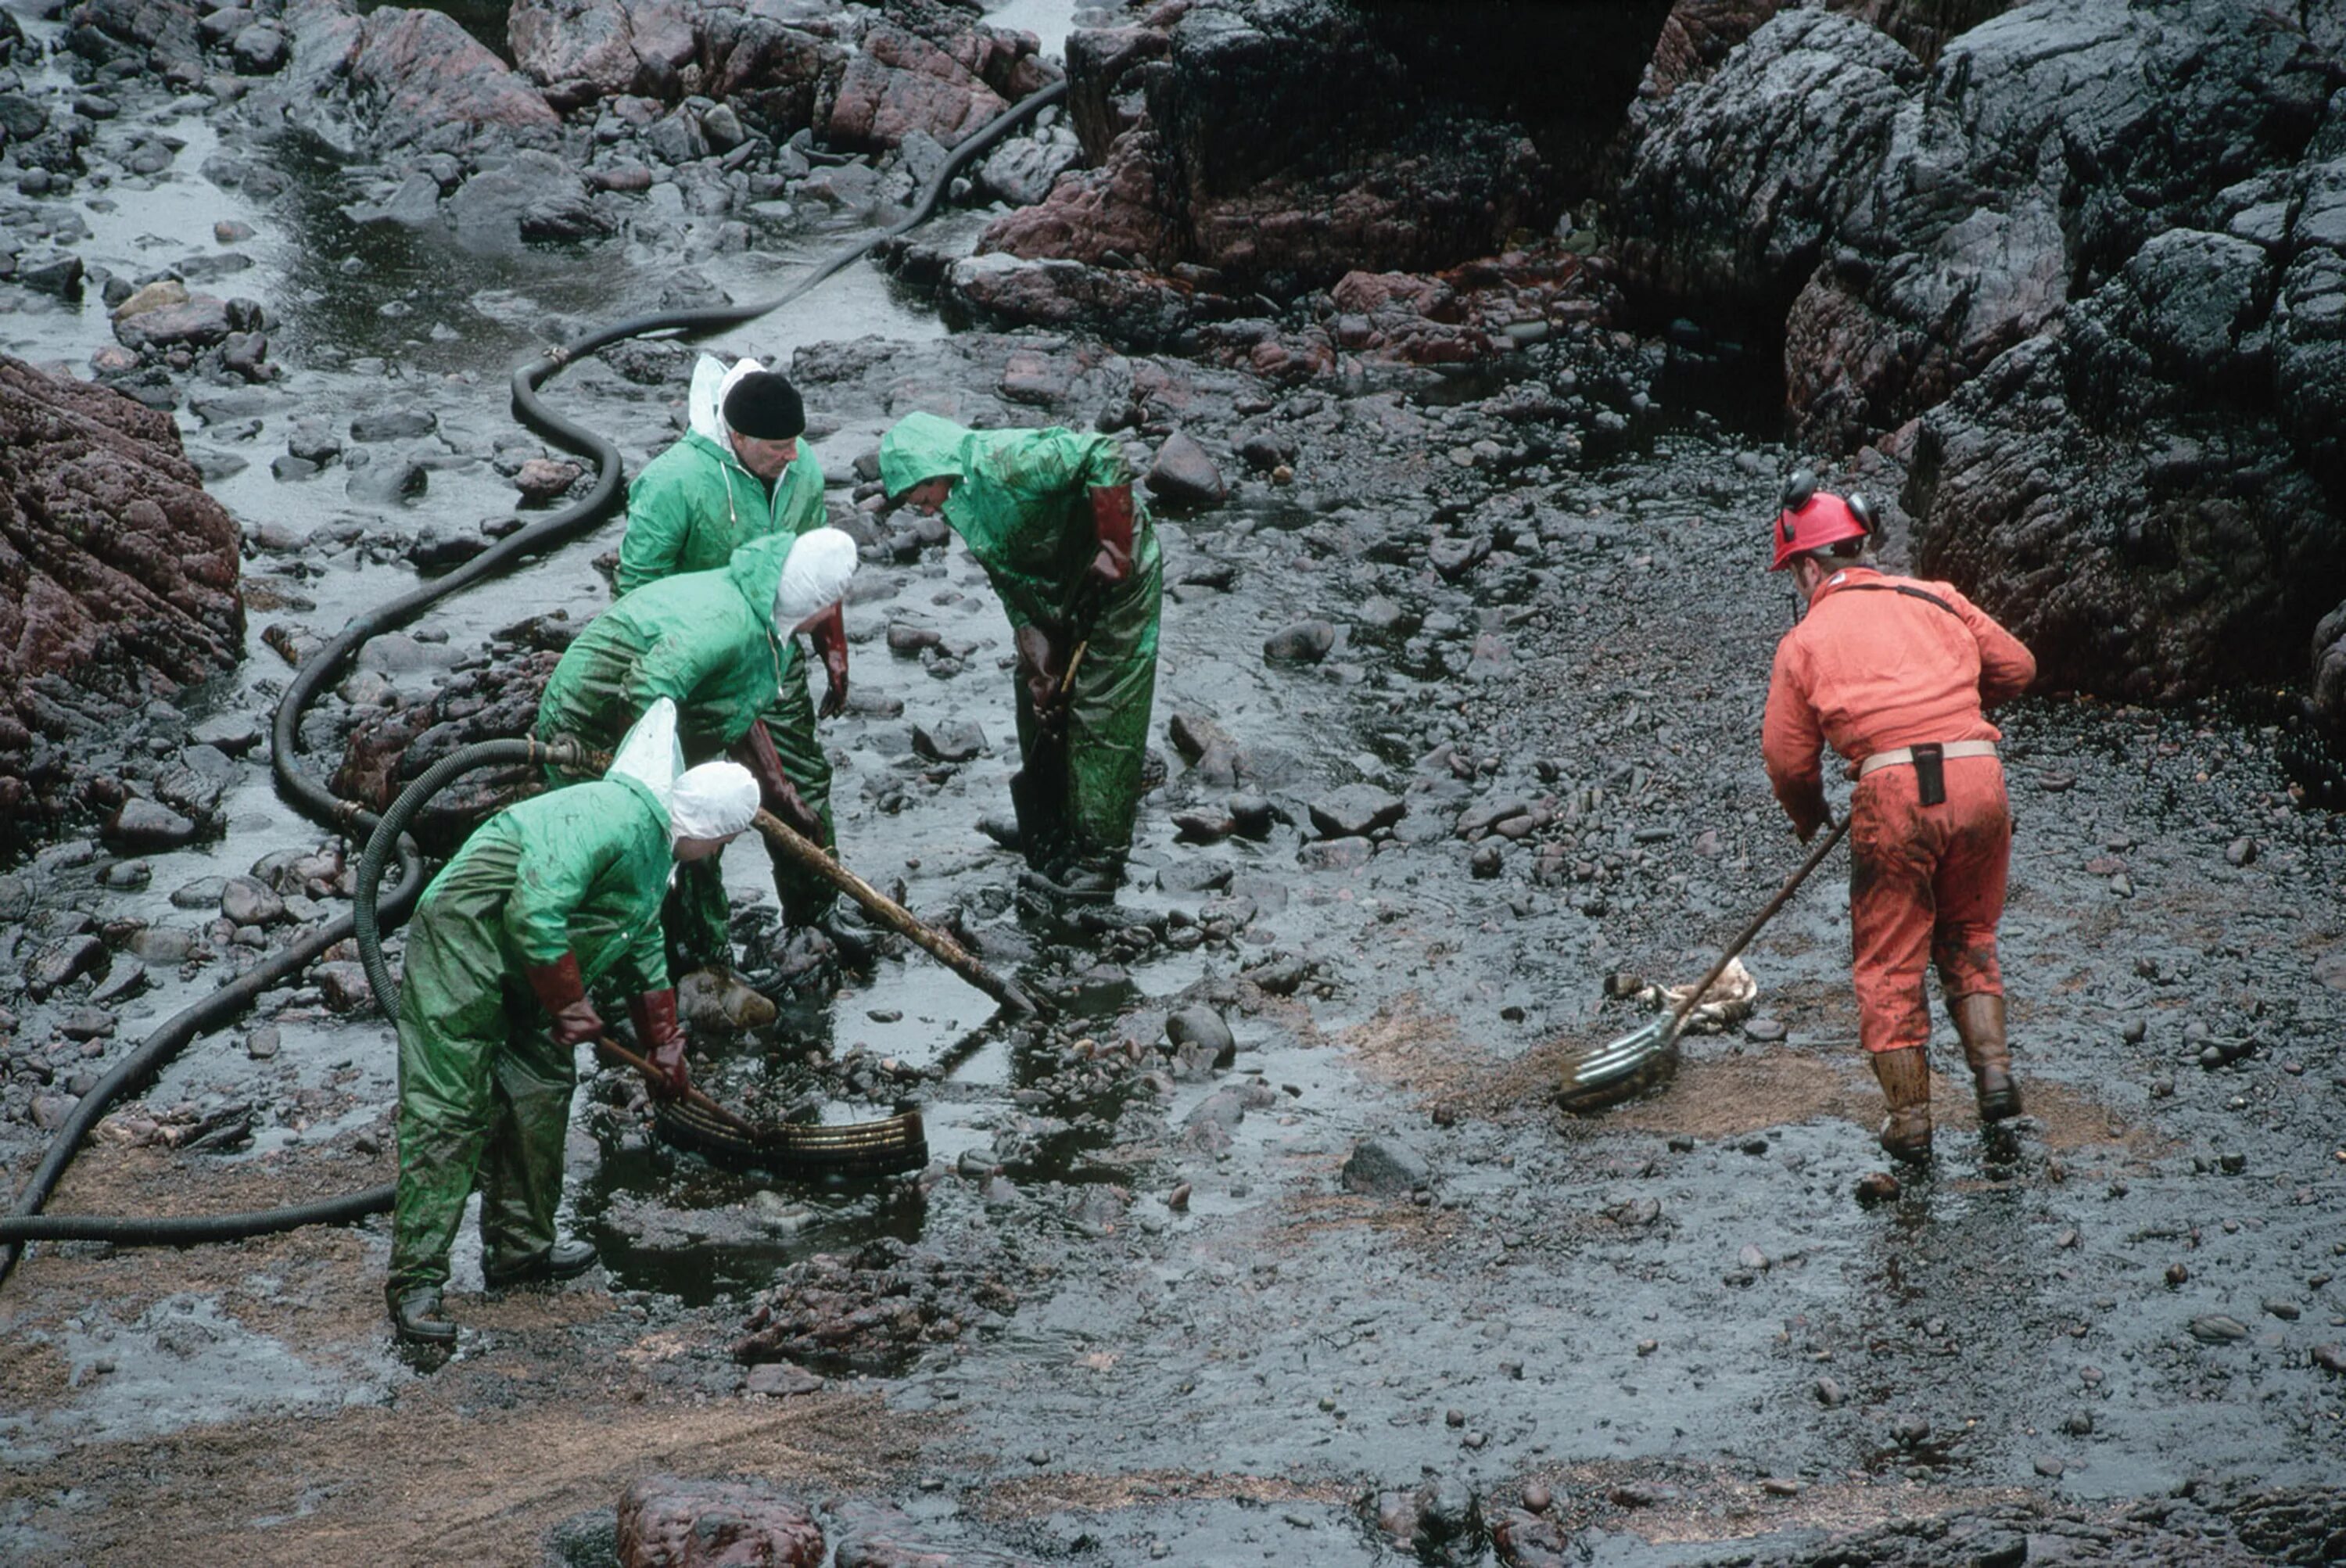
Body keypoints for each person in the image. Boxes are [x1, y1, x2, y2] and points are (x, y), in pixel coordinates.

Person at [386, 700, 759, 1344]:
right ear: (714, 830)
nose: (716, 853)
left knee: (541, 1089)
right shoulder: (615, 817)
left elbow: (640, 945)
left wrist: (666, 1044)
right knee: (451, 1111)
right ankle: (416, 1282)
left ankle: (520, 1250)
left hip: (533, 970)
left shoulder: (655, 850)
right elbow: (533, 911)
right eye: (724, 843)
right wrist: (569, 1005)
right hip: (466, 945)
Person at [1760, 472, 2036, 1164]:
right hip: (1979, 776)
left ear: (1808, 566)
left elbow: (1788, 762)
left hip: (1892, 794)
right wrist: (1961, 709)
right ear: (1863, 546)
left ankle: (1911, 1122)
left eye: (1794, 571)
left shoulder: (1805, 640)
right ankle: (1994, 1078)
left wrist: (1814, 817)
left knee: (1889, 962)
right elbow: (2019, 667)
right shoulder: (1935, 596)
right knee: (1969, 929)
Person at [535, 527, 859, 978]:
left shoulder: (763, 614)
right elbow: (645, 688)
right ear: (811, 601)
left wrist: (780, 792)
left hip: (671, 714)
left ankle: (703, 959)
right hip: (592, 723)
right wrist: (648, 794)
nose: (831, 615)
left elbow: (736, 702)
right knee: (638, 855)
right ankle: (623, 984)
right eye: (831, 604)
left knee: (704, 833)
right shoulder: (727, 624)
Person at [616, 357, 856, 950]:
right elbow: (636, 593)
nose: (792, 457)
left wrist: (834, 646)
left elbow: (817, 559)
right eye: (777, 447)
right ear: (738, 438)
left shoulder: (801, 470)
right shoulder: (674, 483)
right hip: (690, 668)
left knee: (801, 784)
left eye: (796, 443)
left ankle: (814, 914)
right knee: (696, 802)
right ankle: (700, 948)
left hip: (771, 659)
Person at [877, 411, 1163, 901]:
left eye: (920, 497)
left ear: (935, 468)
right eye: (914, 504)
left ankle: (1100, 859)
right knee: (1041, 708)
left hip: (1117, 577)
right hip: (1054, 590)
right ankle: (1057, 832)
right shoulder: (960, 501)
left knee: (1102, 708)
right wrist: (1040, 666)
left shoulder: (1009, 461)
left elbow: (1104, 453)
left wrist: (1115, 548)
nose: (924, 512)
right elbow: (1011, 583)